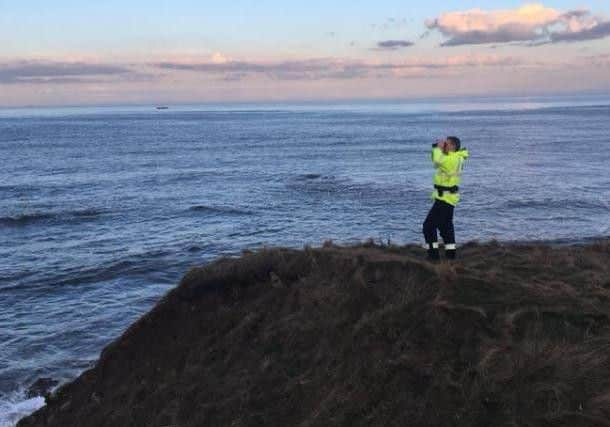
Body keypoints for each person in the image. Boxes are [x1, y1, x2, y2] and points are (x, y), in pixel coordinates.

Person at [423, 136, 469, 261]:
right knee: (445, 227)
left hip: (445, 199)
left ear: (453, 146)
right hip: (447, 197)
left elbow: (438, 161)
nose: (444, 146)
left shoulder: (452, 159)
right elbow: (436, 161)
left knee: (428, 226)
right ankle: (451, 255)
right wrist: (437, 148)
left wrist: (438, 148)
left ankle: (433, 257)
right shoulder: (455, 157)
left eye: (446, 144)